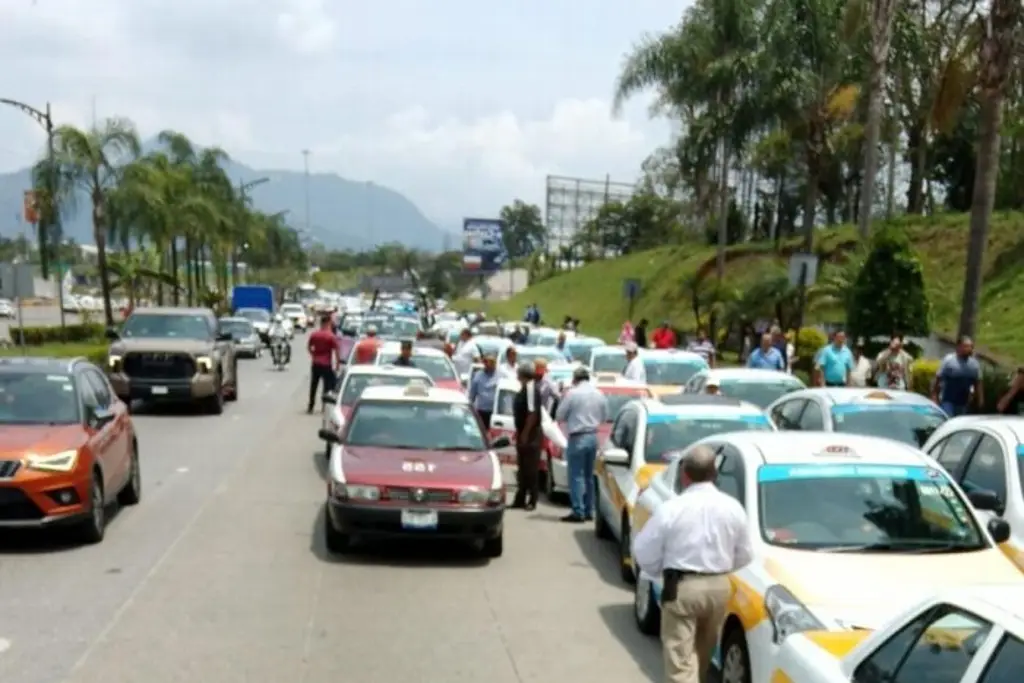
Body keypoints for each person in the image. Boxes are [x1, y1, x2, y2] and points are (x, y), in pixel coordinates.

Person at [632, 446, 753, 683]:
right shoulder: (733, 508)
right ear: (715, 474)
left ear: (684, 474)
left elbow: (643, 552)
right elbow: (745, 554)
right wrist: (720, 567)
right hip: (719, 587)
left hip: (683, 588)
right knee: (702, 657)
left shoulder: (671, 509)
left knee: (680, 664)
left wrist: (660, 571)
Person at [555, 366, 610, 522]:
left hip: (577, 436)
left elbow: (560, 414)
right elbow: (605, 416)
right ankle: (589, 510)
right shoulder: (599, 394)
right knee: (589, 476)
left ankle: (578, 511)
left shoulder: (572, 394)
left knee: (576, 475)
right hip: (593, 436)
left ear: (575, 379)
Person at [511, 363, 543, 511]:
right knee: (522, 468)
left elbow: (532, 414)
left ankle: (532, 499)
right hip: (524, 432)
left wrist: (524, 433)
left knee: (530, 468)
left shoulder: (530, 388)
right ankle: (520, 498)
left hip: (531, 434)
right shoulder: (525, 388)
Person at [932, 336, 983, 416]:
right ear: (959, 347)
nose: (969, 349)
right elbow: (938, 379)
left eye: (971, 347)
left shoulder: (974, 365)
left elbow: (978, 383)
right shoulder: (949, 360)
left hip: (963, 403)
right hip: (947, 400)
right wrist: (934, 396)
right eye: (966, 346)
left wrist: (980, 400)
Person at [307, 314, 342, 413]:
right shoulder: (331, 336)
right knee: (327, 386)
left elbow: (309, 347)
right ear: (328, 323)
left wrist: (314, 355)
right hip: (326, 364)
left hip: (315, 363)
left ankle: (311, 405)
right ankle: (324, 406)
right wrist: (338, 364)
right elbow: (337, 351)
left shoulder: (314, 335)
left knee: (314, 384)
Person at [468, 352, 499, 427]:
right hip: (482, 411)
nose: (489, 364)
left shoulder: (500, 375)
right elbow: (472, 395)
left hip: (495, 413)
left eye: (492, 362)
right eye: (486, 361)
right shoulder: (478, 375)